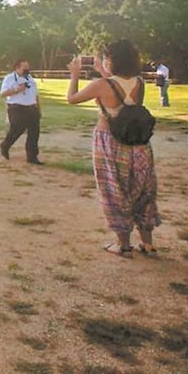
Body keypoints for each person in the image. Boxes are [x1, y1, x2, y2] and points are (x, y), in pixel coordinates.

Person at [67, 40, 161, 256]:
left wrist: (74, 75)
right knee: (142, 189)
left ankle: (123, 244)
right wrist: (103, 71)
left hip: (110, 141)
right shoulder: (139, 82)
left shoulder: (102, 85)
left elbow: (72, 99)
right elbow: (125, 99)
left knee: (114, 190)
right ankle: (148, 244)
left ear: (113, 59)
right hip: (138, 143)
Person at [0, 59, 42, 164]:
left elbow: (35, 95)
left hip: (31, 108)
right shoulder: (9, 78)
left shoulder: (30, 79)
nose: (27, 70)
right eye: (24, 68)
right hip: (16, 107)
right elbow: (3, 93)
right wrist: (17, 89)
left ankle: (32, 157)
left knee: (34, 133)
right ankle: (5, 145)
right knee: (17, 128)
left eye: (28, 68)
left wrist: (38, 109)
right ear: (17, 68)